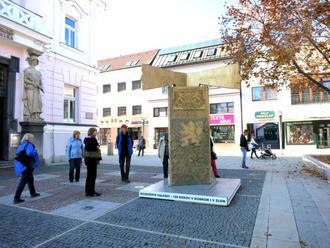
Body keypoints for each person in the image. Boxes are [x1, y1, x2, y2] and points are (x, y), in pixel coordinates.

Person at [13, 133, 40, 204]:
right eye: (32, 138)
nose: (32, 139)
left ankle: (33, 193)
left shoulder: (22, 145)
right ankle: (16, 198)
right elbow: (29, 153)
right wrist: (35, 151)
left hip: (22, 164)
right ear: (29, 138)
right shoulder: (29, 144)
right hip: (28, 165)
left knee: (30, 179)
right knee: (23, 181)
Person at [84, 128, 102, 197]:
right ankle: (91, 192)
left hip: (92, 160)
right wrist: (96, 147)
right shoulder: (89, 139)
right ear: (91, 132)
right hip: (91, 160)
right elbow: (88, 147)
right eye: (95, 132)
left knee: (91, 176)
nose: (96, 133)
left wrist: (96, 146)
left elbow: (95, 146)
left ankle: (89, 191)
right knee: (91, 176)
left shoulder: (91, 139)